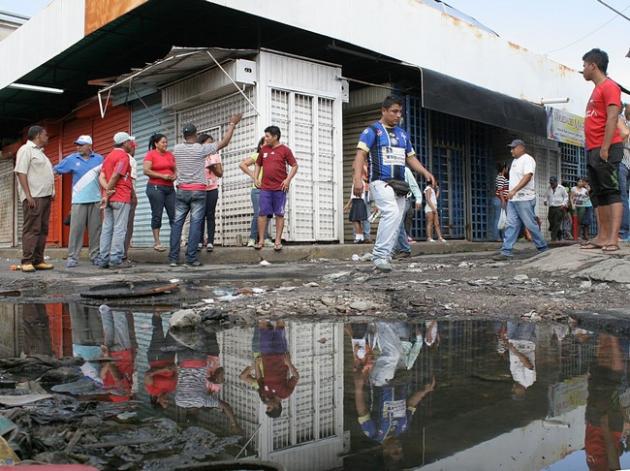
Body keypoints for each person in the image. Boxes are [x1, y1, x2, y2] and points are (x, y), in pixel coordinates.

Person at [353, 96, 435, 272]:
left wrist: (425, 172)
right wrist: (357, 179)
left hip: (399, 185)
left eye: (400, 112)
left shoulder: (403, 134)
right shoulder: (372, 131)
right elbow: (360, 155)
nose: (398, 115)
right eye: (394, 111)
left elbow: (411, 158)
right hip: (380, 182)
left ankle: (387, 255)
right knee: (391, 212)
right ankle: (380, 255)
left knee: (397, 218)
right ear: (383, 111)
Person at [169, 114, 241, 267]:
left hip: (182, 190)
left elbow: (175, 166)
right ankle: (191, 258)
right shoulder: (201, 149)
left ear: (184, 135)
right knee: (196, 223)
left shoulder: (176, 149)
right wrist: (232, 124)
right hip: (198, 191)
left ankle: (174, 259)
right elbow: (224, 142)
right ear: (195, 135)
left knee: (177, 224)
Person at [581, 48, 624, 253]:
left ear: (593, 66)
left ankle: (613, 239)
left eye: (584, 66)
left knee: (611, 192)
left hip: (605, 148)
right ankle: (602, 236)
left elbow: (613, 117)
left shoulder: (610, 87)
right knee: (598, 194)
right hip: (593, 148)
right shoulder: (596, 89)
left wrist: (605, 147)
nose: (583, 70)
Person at [54, 135, 103, 268]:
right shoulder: (71, 159)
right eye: (77, 145)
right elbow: (56, 169)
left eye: (81, 145)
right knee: (76, 230)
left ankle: (95, 256)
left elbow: (106, 176)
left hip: (96, 199)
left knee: (95, 230)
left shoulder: (99, 159)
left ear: (89, 146)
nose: (78, 147)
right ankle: (73, 257)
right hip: (78, 200)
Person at [493, 139, 548, 260]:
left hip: (524, 198)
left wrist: (514, 190)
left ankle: (543, 248)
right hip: (513, 199)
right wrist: (511, 193)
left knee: (530, 224)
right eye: (511, 148)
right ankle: (506, 251)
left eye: (513, 148)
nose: (511, 150)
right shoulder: (514, 161)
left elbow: (528, 176)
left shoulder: (528, 159)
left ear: (521, 147)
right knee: (511, 224)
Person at [14, 125, 55, 273]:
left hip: (45, 197)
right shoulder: (26, 150)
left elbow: (47, 175)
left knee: (42, 229)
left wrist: (52, 191)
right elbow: (21, 173)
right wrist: (28, 195)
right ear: (38, 135)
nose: (47, 137)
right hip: (34, 197)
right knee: (32, 229)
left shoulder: (41, 153)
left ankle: (38, 260)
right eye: (45, 135)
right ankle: (27, 261)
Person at [240, 320, 299, 418]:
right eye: (269, 407)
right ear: (276, 407)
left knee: (263, 327)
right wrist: (289, 363)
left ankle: (263, 309)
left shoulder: (265, 394)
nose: (266, 405)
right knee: (280, 327)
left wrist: (256, 364)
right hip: (280, 354)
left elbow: (259, 379)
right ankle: (281, 309)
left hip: (266, 355)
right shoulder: (285, 393)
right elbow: (296, 377)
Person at [254, 126, 299, 251]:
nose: (265, 138)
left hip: (280, 188)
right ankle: (261, 240)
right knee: (262, 213)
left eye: (268, 136)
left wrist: (288, 180)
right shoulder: (264, 150)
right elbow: (258, 164)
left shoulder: (285, 150)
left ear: (275, 137)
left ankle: (278, 241)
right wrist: (255, 178)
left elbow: (295, 166)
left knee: (279, 214)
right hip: (265, 188)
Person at [98, 132, 135, 269]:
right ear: (124, 143)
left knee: (107, 228)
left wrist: (106, 191)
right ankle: (115, 258)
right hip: (120, 196)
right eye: (129, 142)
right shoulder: (123, 156)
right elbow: (116, 175)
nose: (131, 144)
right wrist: (110, 190)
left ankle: (104, 258)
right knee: (120, 228)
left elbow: (101, 176)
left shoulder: (108, 157)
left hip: (109, 198)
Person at [143, 133, 176, 252]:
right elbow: (146, 171)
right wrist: (162, 176)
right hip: (155, 187)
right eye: (163, 142)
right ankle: (157, 243)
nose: (165, 144)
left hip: (170, 188)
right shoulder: (151, 154)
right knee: (157, 215)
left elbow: (175, 168)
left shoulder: (170, 154)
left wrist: (175, 175)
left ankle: (175, 242)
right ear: (156, 144)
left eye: (166, 142)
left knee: (174, 215)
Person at [239, 137, 273, 248]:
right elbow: (242, 164)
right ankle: (252, 238)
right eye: (265, 143)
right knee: (258, 214)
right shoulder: (257, 156)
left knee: (267, 215)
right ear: (261, 146)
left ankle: (266, 238)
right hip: (258, 190)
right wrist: (252, 174)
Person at [99, 304, 136, 402]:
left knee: (120, 326)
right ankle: (104, 308)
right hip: (112, 356)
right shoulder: (108, 388)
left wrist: (108, 358)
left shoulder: (123, 393)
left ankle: (117, 304)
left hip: (122, 355)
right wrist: (106, 357)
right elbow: (102, 374)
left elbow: (117, 377)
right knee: (108, 329)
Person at [198, 133, 222, 253]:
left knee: (210, 214)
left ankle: (211, 241)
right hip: (200, 189)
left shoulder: (215, 155)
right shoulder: (197, 155)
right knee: (200, 215)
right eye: (209, 142)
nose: (211, 145)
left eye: (212, 143)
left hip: (212, 188)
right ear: (202, 143)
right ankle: (200, 241)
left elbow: (220, 173)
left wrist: (213, 168)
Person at [394, 167, 423, 257]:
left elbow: (413, 185)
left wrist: (418, 198)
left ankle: (404, 249)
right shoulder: (387, 170)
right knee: (396, 224)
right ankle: (399, 249)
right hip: (393, 201)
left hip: (404, 199)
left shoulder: (405, 170)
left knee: (397, 224)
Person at [123, 139, 138, 262]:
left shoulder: (113, 158)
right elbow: (130, 180)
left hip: (116, 196)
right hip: (127, 196)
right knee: (128, 226)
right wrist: (134, 196)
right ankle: (123, 254)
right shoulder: (131, 160)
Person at [344, 176, 369, 244]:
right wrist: (348, 205)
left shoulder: (358, 184)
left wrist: (348, 205)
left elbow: (353, 196)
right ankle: (361, 238)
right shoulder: (362, 183)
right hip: (360, 202)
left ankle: (358, 238)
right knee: (358, 221)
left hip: (357, 202)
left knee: (355, 221)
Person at [544, 176, 569, 241]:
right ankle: (559, 232)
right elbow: (546, 196)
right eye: (550, 183)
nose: (551, 184)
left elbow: (566, 197)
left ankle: (553, 238)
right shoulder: (548, 188)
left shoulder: (562, 188)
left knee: (557, 222)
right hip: (551, 207)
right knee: (551, 221)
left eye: (552, 183)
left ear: (556, 182)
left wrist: (563, 204)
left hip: (559, 207)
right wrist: (545, 201)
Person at [619, 105, 630, 241]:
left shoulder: (620, 120)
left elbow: (623, 136)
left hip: (622, 160)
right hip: (625, 161)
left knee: (621, 196)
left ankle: (623, 231)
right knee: (624, 196)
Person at [493, 162, 509, 241]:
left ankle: (502, 237)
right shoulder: (501, 177)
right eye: (507, 168)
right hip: (500, 199)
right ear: (504, 168)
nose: (507, 169)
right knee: (498, 218)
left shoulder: (500, 177)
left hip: (500, 199)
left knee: (502, 218)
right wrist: (503, 200)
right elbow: (500, 190)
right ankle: (497, 237)